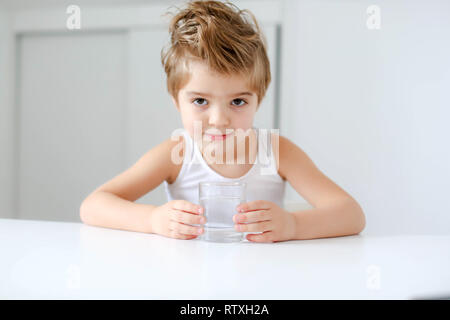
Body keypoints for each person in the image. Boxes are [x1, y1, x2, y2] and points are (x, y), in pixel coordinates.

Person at [80, 0, 365, 242]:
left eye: (238, 101)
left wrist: (293, 225)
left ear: (259, 99)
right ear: (176, 100)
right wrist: (153, 219)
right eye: (200, 101)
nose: (219, 120)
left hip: (258, 280)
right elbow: (93, 206)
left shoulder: (276, 153)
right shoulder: (176, 155)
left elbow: (351, 214)